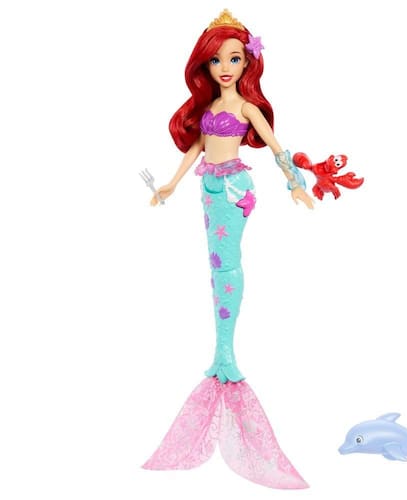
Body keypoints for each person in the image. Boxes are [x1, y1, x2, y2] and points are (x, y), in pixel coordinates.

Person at [143, 10, 310, 489]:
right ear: (205, 65)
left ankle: (225, 352)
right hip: (209, 188)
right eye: (216, 60)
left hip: (234, 190)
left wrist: (295, 183)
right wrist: (170, 184)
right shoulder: (210, 108)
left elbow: (276, 148)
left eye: (234, 59)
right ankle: (222, 351)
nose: (225, 67)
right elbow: (195, 149)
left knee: (227, 265)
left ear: (248, 62)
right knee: (217, 267)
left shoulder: (247, 108)